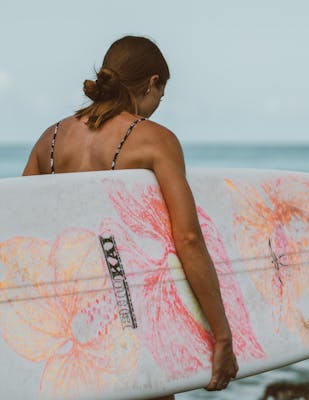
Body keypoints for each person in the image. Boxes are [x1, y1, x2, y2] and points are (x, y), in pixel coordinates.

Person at [22, 35, 238, 399]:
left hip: (72, 332)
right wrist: (222, 334)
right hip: (136, 327)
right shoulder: (154, 140)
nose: (157, 106)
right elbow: (187, 239)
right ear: (152, 83)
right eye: (161, 95)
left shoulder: (51, 140)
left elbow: (21, 232)